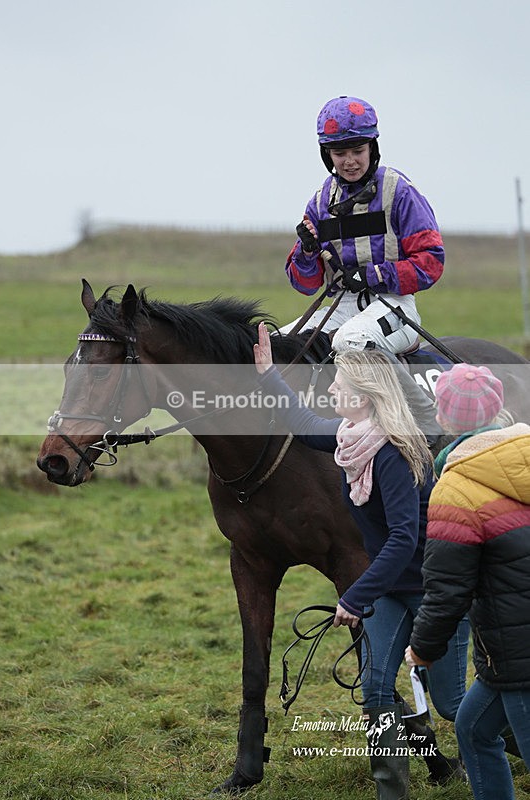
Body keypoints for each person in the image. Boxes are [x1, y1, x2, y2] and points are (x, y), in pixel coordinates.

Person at [254, 323, 469, 800]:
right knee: (373, 690)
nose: (330, 387)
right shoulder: (354, 436)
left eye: (339, 384)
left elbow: (403, 537)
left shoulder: (391, 451)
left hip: (436, 589)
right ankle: (391, 793)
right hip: (394, 590)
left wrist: (354, 596)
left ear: (365, 396)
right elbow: (306, 425)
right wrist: (270, 376)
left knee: (453, 704)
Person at [281, 95, 445, 440]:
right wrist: (307, 252)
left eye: (357, 150)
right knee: (280, 343)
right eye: (340, 153)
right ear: (328, 155)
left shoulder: (400, 192)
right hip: (341, 307)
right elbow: (305, 284)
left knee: (352, 341)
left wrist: (374, 275)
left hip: (395, 306)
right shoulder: (321, 200)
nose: (350, 161)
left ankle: (426, 422)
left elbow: (431, 262)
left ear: (373, 147)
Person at [405, 363, 530, 800]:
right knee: (473, 729)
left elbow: (446, 590)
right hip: (504, 650)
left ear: (441, 419)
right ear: (499, 409)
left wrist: (422, 649)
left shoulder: (455, 488)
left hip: (518, 650)